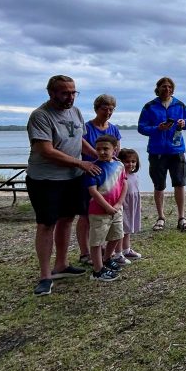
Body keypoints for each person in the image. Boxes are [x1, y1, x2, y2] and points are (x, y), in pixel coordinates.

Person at [26, 75, 101, 296]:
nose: (70, 97)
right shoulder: (41, 116)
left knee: (67, 219)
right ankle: (45, 276)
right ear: (51, 93)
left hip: (73, 177)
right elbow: (45, 151)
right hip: (45, 179)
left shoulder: (76, 112)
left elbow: (79, 139)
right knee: (46, 224)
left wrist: (96, 155)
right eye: (65, 93)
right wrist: (81, 162)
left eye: (73, 92)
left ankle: (61, 264)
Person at [138, 77, 186, 233]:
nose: (167, 89)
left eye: (169, 87)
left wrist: (184, 124)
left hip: (177, 150)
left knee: (180, 183)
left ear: (173, 89)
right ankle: (160, 217)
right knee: (159, 185)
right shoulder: (149, 106)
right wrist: (157, 128)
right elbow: (141, 128)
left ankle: (182, 217)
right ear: (158, 88)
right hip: (157, 151)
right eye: (163, 86)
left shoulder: (180, 105)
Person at [76, 94, 122, 265]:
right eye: (105, 108)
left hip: (109, 179)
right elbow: (82, 146)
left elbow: (117, 152)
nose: (108, 112)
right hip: (90, 175)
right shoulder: (87, 128)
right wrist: (98, 156)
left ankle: (102, 250)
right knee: (86, 215)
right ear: (96, 109)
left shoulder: (114, 129)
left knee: (103, 215)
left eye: (111, 109)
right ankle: (84, 252)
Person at [84, 135, 127, 281]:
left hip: (116, 209)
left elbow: (124, 184)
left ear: (114, 149)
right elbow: (93, 191)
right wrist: (107, 207)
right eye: (98, 149)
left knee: (117, 235)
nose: (101, 152)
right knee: (97, 241)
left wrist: (119, 204)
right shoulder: (94, 168)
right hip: (99, 211)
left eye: (106, 149)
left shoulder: (119, 165)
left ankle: (107, 259)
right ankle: (98, 270)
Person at [113, 148, 142, 263]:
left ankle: (126, 249)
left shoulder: (134, 175)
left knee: (128, 228)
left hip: (132, 204)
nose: (130, 164)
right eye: (127, 161)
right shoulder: (120, 176)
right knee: (121, 229)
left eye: (133, 161)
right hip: (123, 205)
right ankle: (118, 253)